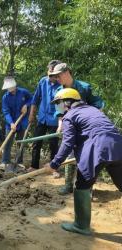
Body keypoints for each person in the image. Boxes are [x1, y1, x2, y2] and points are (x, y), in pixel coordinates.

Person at [44, 88, 122, 235]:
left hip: (96, 148)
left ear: (67, 102)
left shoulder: (70, 116)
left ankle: (81, 226)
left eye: (58, 102)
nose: (57, 106)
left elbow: (67, 143)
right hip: (118, 146)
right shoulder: (93, 110)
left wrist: (54, 164)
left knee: (82, 185)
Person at [49, 62, 104, 195]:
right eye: (55, 76)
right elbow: (60, 113)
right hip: (69, 127)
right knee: (69, 154)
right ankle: (68, 185)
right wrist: (60, 126)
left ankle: (86, 187)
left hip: (86, 129)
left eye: (58, 75)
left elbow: (98, 105)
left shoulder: (84, 87)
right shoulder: (58, 91)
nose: (57, 79)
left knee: (86, 156)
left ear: (67, 72)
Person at [28, 60, 62, 177]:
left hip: (54, 119)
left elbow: (63, 106)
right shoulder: (43, 81)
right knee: (36, 142)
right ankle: (34, 165)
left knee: (53, 143)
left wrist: (61, 122)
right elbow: (35, 99)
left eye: (53, 75)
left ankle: (54, 168)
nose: (51, 76)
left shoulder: (62, 85)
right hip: (42, 117)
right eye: (49, 73)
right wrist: (32, 114)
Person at [0, 76, 33, 169]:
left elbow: (32, 99)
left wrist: (26, 105)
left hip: (22, 121)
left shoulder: (23, 92)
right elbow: (6, 112)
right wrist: (11, 123)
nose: (11, 90)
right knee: (8, 142)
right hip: (10, 123)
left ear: (15, 85)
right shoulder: (5, 98)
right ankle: (5, 161)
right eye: (9, 88)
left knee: (21, 142)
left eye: (12, 87)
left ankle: (19, 161)